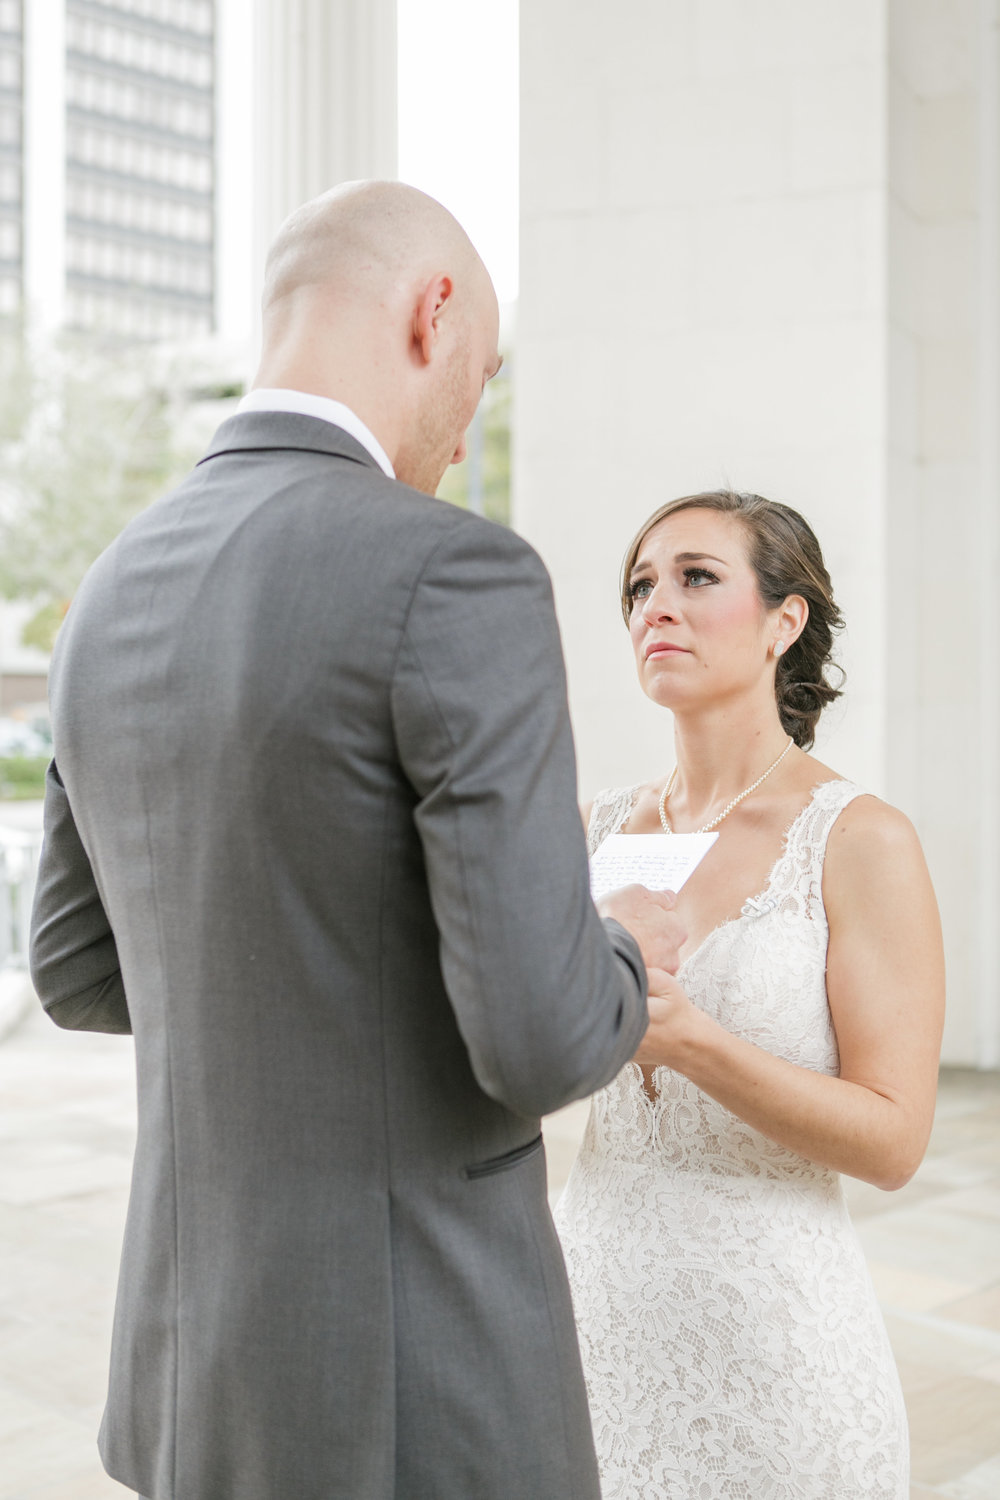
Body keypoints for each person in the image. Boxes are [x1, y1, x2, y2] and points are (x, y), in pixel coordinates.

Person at [28, 182, 686, 1500]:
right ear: (433, 314)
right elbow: (544, 1037)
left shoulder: (106, 588)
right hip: (416, 1382)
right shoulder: (455, 572)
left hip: (186, 1371)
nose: (466, 425)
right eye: (482, 376)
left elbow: (79, 974)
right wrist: (616, 946)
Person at [554, 490, 945, 1499]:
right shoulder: (586, 832)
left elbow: (893, 1141)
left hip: (773, 1351)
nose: (656, 607)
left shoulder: (859, 840)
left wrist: (687, 1039)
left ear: (785, 620)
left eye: (695, 578)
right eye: (640, 586)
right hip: (587, 1322)